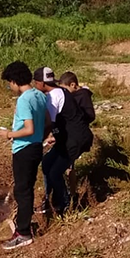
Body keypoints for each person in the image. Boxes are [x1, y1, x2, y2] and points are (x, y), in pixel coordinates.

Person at [0, 61, 47, 250]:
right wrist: (39, 139)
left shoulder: (25, 99)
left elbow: (29, 128)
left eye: (9, 83)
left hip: (24, 150)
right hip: (35, 147)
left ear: (14, 80)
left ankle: (23, 233)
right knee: (26, 188)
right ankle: (24, 225)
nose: (9, 87)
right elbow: (47, 122)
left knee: (22, 191)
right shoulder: (39, 96)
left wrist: (9, 134)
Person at [33, 67, 91, 216]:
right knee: (47, 163)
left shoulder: (53, 97)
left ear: (41, 83)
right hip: (65, 139)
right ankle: (52, 200)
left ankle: (66, 206)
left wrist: (36, 141)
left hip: (75, 140)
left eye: (36, 83)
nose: (35, 86)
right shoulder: (59, 92)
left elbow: (48, 124)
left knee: (55, 172)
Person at [58, 71, 96, 201]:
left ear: (73, 85)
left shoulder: (83, 96)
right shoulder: (74, 96)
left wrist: (78, 119)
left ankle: (71, 194)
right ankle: (71, 193)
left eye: (65, 89)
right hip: (71, 134)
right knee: (69, 165)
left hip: (77, 135)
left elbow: (90, 116)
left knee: (68, 165)